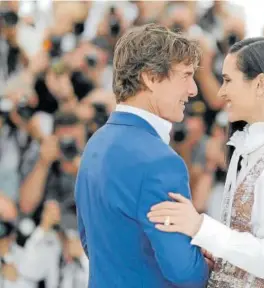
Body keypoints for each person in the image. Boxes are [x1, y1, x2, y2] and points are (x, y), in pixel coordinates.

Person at [148, 37, 264, 287]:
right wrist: (216, 251)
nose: (221, 92)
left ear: (260, 84)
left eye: (228, 80)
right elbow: (242, 243)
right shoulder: (244, 148)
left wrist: (201, 227)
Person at [74, 23, 210, 287]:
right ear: (150, 77)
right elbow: (182, 271)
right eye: (185, 75)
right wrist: (205, 265)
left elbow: (91, 244)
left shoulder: (95, 144)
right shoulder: (161, 162)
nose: (193, 89)